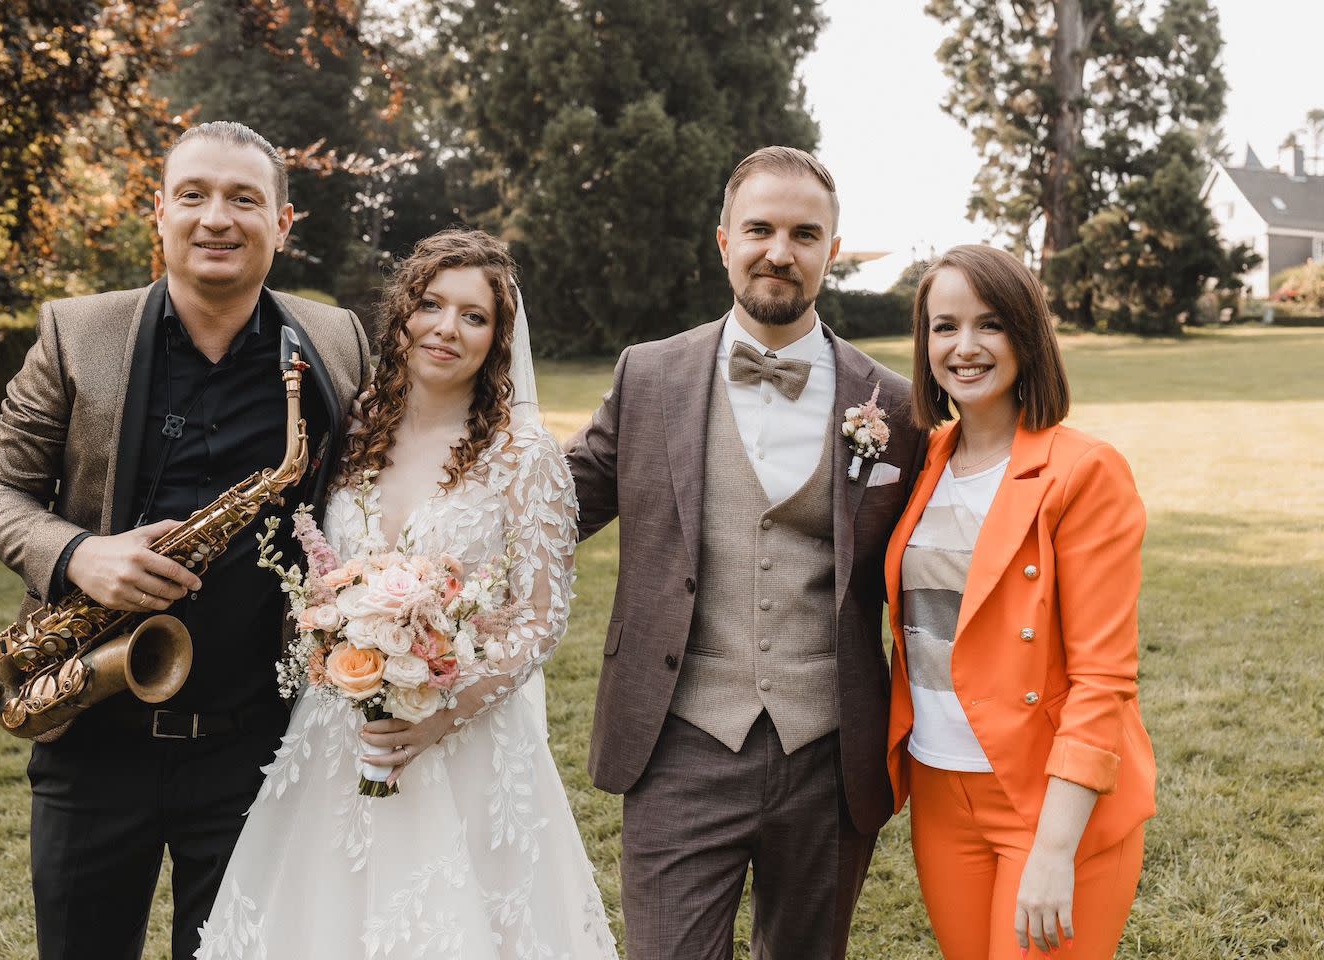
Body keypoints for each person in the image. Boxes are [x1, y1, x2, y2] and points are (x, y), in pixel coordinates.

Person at [0, 121, 371, 960]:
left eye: (243, 199)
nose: (216, 218)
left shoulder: (336, 342)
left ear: (283, 224)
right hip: (92, 729)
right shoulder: (76, 334)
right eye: (193, 195)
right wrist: (79, 555)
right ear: (160, 213)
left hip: (257, 745)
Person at [195, 229, 617, 960]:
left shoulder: (524, 457)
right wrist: (334, 636)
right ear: (402, 315)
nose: (447, 328)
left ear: (498, 339)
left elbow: (540, 620)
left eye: (474, 316)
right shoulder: (354, 429)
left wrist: (439, 714)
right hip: (337, 735)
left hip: (464, 742)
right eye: (431, 305)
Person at [566, 146, 929, 959]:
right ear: (724, 240)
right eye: (760, 229)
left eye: (805, 234)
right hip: (678, 742)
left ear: (832, 252)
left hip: (831, 751)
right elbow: (556, 507)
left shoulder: (896, 406)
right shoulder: (650, 376)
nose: (780, 252)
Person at [884, 244, 1156, 958]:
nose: (965, 347)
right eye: (945, 327)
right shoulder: (924, 460)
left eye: (990, 324)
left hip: (1047, 798)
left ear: (1027, 336)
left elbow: (1104, 679)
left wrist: (1054, 847)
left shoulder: (1084, 471)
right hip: (939, 788)